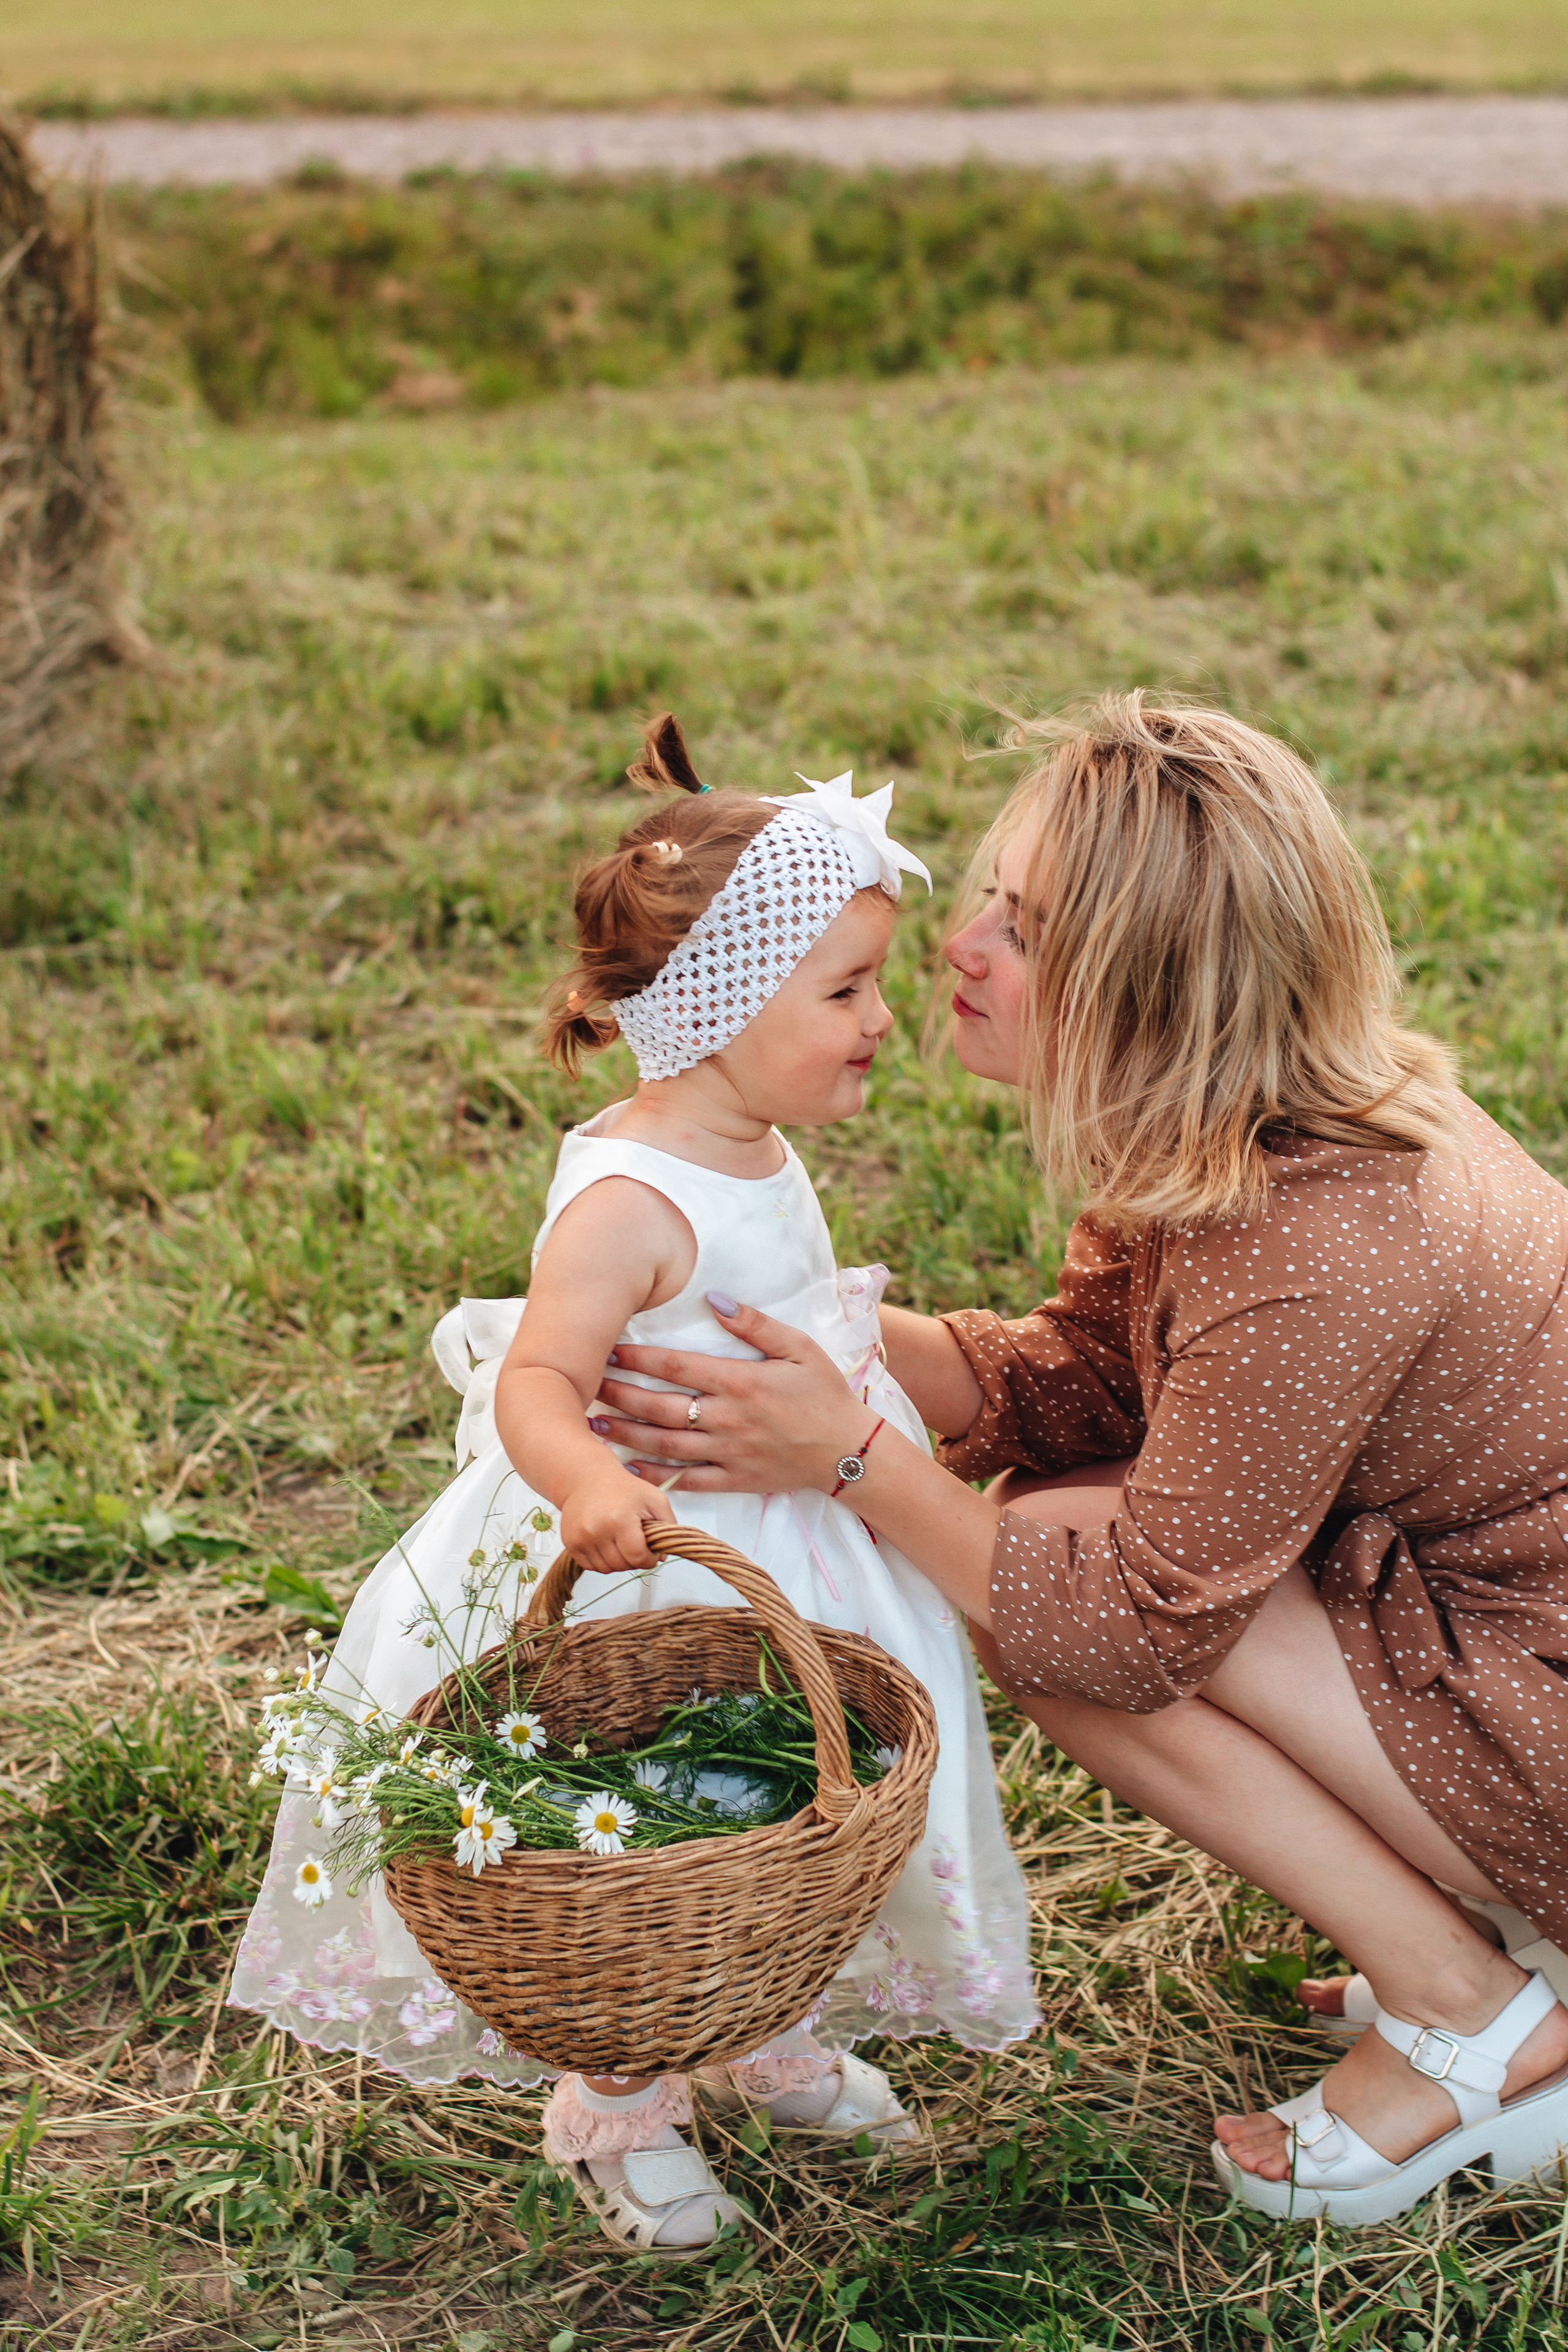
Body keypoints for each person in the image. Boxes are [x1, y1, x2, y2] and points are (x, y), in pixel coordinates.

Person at [590, 695, 1568, 2228]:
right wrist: (814, 1336)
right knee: (1045, 1531)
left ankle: (1471, 2014)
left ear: (1157, 991)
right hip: (1504, 1637)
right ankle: (1491, 1925)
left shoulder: (1319, 1241)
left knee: (1043, 1603)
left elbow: (1124, 1626)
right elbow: (1089, 1376)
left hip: (1542, 1696)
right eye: (988, 895)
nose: (960, 946)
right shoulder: (1241, 1125)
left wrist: (854, 1458)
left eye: (1027, 930)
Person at [231, 715, 1038, 2256]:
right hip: (657, 1548)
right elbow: (535, 1380)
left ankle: (765, 2017)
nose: (882, 1017)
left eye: (874, 982)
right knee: (658, 1812)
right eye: (845, 990)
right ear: (720, 1006)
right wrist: (589, 1484)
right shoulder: (627, 1198)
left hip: (792, 1532)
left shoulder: (757, 1142)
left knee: (800, 1785)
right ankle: (619, 2096)